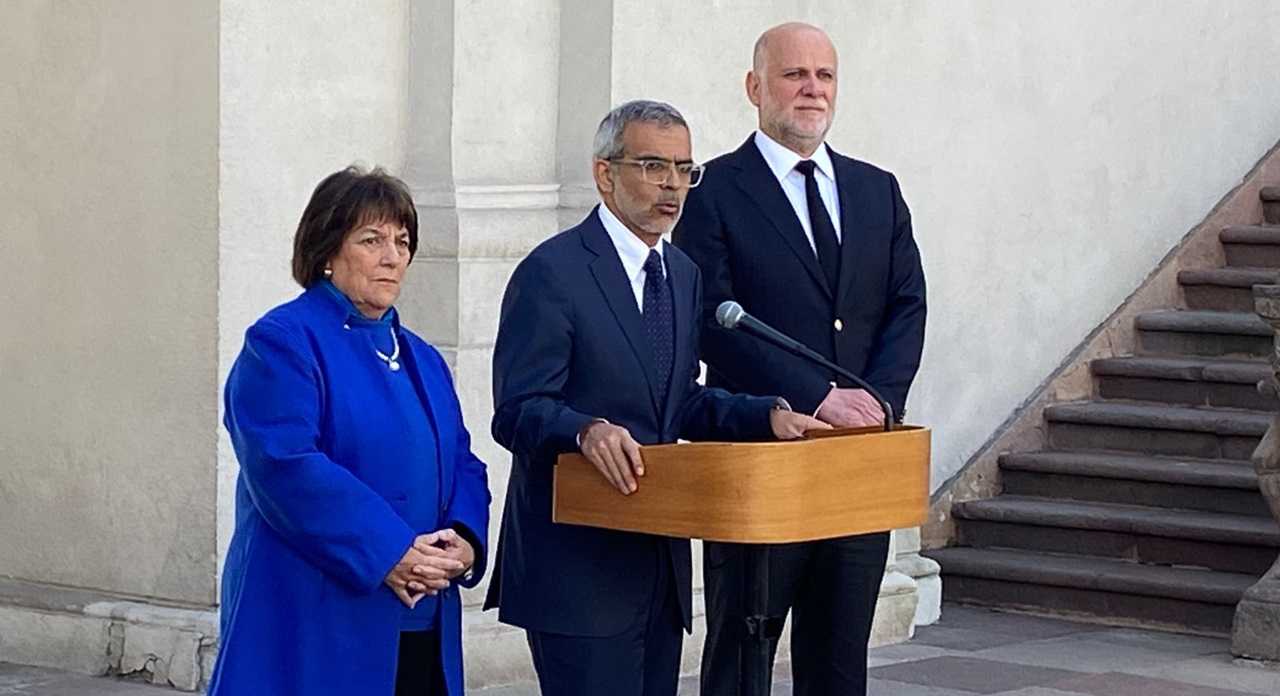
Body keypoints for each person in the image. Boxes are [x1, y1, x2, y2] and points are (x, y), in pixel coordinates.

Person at [483, 100, 828, 696]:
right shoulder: (554, 272)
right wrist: (585, 429)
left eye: (684, 169)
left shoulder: (683, 273)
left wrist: (762, 415)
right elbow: (517, 410)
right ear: (605, 173)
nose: (672, 186)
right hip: (577, 567)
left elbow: (676, 402)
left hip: (658, 559)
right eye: (652, 166)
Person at [672, 22, 927, 696]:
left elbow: (907, 305)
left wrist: (881, 401)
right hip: (763, 457)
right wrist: (816, 396)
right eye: (794, 75)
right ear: (756, 88)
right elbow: (713, 320)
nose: (812, 89)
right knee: (742, 652)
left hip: (860, 460)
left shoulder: (879, 191)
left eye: (825, 76)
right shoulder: (713, 191)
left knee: (841, 659)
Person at [208, 166, 491, 695]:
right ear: (327, 252)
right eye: (372, 240)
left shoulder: (423, 357)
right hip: (318, 617)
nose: (393, 256)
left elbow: (461, 459)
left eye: (402, 241)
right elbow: (285, 464)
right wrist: (391, 553)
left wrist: (465, 542)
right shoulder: (282, 342)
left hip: (422, 618)